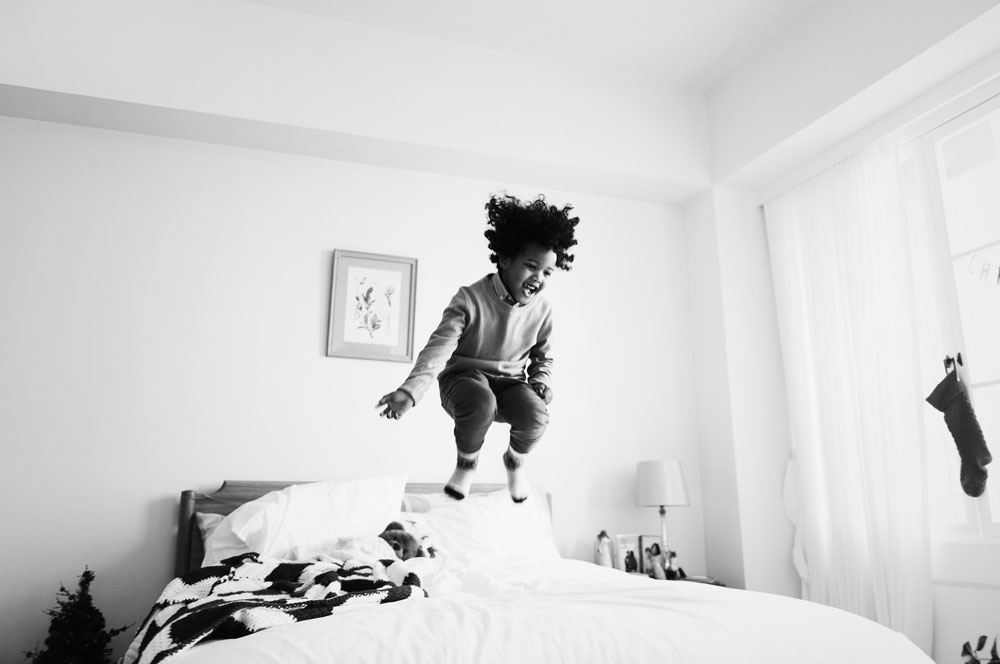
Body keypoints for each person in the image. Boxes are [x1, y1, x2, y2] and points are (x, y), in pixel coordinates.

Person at [376, 193, 579, 502]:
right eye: (531, 266)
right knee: (481, 401)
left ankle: (515, 462)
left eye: (547, 272)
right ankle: (466, 463)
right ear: (506, 259)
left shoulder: (543, 311)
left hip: (511, 384)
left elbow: (543, 357)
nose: (538, 278)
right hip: (464, 381)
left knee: (537, 414)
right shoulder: (469, 299)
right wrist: (409, 392)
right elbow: (439, 349)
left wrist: (541, 382)